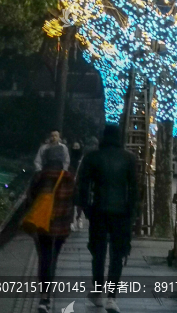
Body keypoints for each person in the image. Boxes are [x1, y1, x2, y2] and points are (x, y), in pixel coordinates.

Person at [77, 123, 139, 311]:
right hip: (121, 212)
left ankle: (97, 292)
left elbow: (83, 185)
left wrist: (87, 208)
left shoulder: (92, 157)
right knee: (117, 254)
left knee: (98, 253)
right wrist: (131, 211)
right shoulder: (129, 159)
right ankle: (112, 296)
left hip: (99, 210)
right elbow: (134, 189)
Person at [27, 159, 75, 313]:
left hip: (43, 224)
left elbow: (31, 197)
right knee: (54, 257)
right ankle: (48, 290)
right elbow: (75, 199)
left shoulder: (40, 176)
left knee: (45, 257)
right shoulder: (69, 177)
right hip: (61, 225)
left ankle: (44, 297)